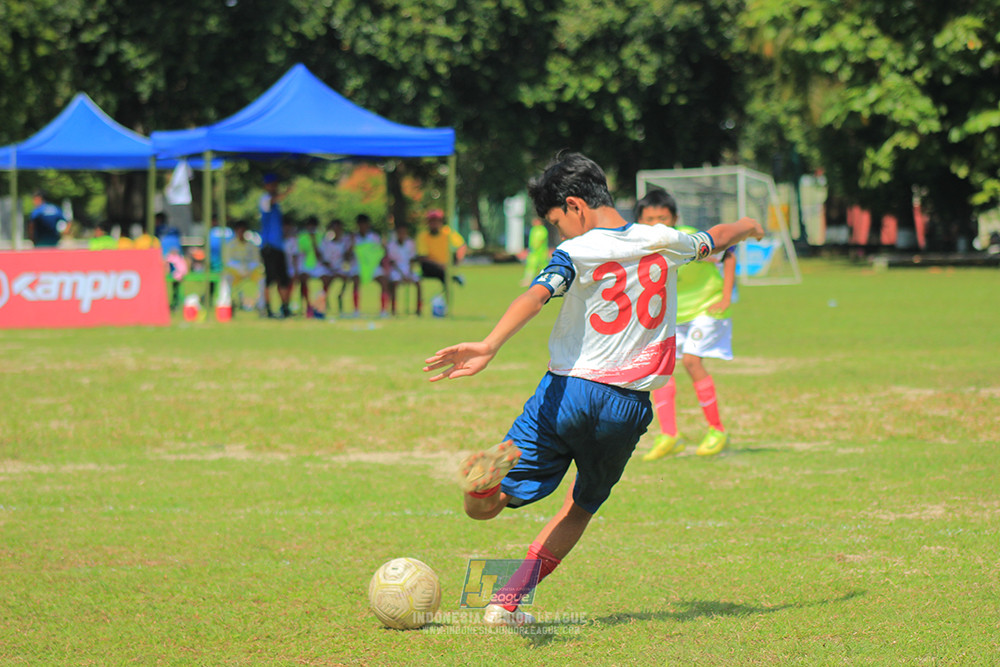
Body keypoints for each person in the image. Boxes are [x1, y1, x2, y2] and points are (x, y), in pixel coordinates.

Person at [422, 152, 764, 627]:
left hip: (566, 393)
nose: (560, 232)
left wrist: (489, 344)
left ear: (575, 205)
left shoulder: (577, 251)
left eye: (557, 222)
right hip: (625, 407)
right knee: (580, 507)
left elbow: (537, 294)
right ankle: (506, 603)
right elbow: (719, 236)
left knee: (485, 510)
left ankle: (487, 477)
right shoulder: (665, 239)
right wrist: (748, 224)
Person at [636, 188, 739, 459]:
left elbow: (728, 255)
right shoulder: (639, 246)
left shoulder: (688, 239)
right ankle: (670, 435)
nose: (656, 224)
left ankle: (717, 430)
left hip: (706, 306)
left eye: (663, 217)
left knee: (692, 361)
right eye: (649, 218)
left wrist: (727, 297)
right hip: (673, 315)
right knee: (661, 370)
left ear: (675, 218)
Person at [259, 173, 294, 319]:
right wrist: (287, 192)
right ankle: (267, 308)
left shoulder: (276, 204)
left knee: (283, 279)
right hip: (269, 246)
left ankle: (285, 307)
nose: (274, 187)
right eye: (271, 184)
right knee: (270, 278)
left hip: (279, 245)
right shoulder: (264, 200)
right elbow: (273, 200)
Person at [344, 214, 385, 318]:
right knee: (356, 280)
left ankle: (383, 310)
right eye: (360, 224)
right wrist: (352, 245)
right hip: (358, 266)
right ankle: (356, 310)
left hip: (372, 267)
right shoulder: (353, 238)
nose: (363, 226)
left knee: (384, 280)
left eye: (364, 224)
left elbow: (380, 253)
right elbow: (347, 257)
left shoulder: (374, 237)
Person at [415, 209, 467, 292]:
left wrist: (458, 259)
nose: (434, 224)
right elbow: (423, 257)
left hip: (445, 266)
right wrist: (440, 265)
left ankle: (445, 291)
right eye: (432, 221)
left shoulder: (447, 232)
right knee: (440, 271)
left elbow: (461, 246)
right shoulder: (423, 236)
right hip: (430, 267)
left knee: (444, 273)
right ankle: (453, 278)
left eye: (436, 221)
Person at [378, 223, 422, 316]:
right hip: (397, 270)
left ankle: (418, 309)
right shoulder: (391, 245)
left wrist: (408, 273)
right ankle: (394, 308)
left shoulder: (410, 243)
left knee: (418, 283)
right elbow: (392, 262)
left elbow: (412, 260)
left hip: (408, 270)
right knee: (395, 283)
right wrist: (402, 275)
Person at [222, 219, 265, 312]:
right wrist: (239, 268)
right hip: (235, 273)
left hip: (250, 271)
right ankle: (226, 306)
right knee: (226, 279)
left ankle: (261, 306)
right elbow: (227, 261)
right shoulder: (230, 245)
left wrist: (248, 268)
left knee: (262, 279)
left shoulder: (251, 245)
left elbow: (257, 261)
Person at [296, 216, 326, 319]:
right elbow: (300, 253)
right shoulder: (302, 237)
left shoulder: (320, 236)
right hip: (306, 265)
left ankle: (320, 305)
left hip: (318, 265)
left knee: (326, 279)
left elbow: (320, 254)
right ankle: (308, 305)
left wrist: (314, 241)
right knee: (303, 280)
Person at [319, 218, 350, 315]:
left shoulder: (344, 242)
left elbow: (346, 258)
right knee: (325, 279)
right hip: (327, 269)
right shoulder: (325, 242)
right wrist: (329, 267)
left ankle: (339, 296)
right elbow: (322, 258)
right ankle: (324, 303)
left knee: (346, 277)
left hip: (339, 268)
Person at [521, 217, 551, 285]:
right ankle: (527, 280)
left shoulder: (542, 230)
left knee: (543, 266)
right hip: (533, 252)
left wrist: (536, 247)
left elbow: (541, 240)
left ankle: (548, 278)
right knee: (531, 266)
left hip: (541, 252)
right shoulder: (533, 229)